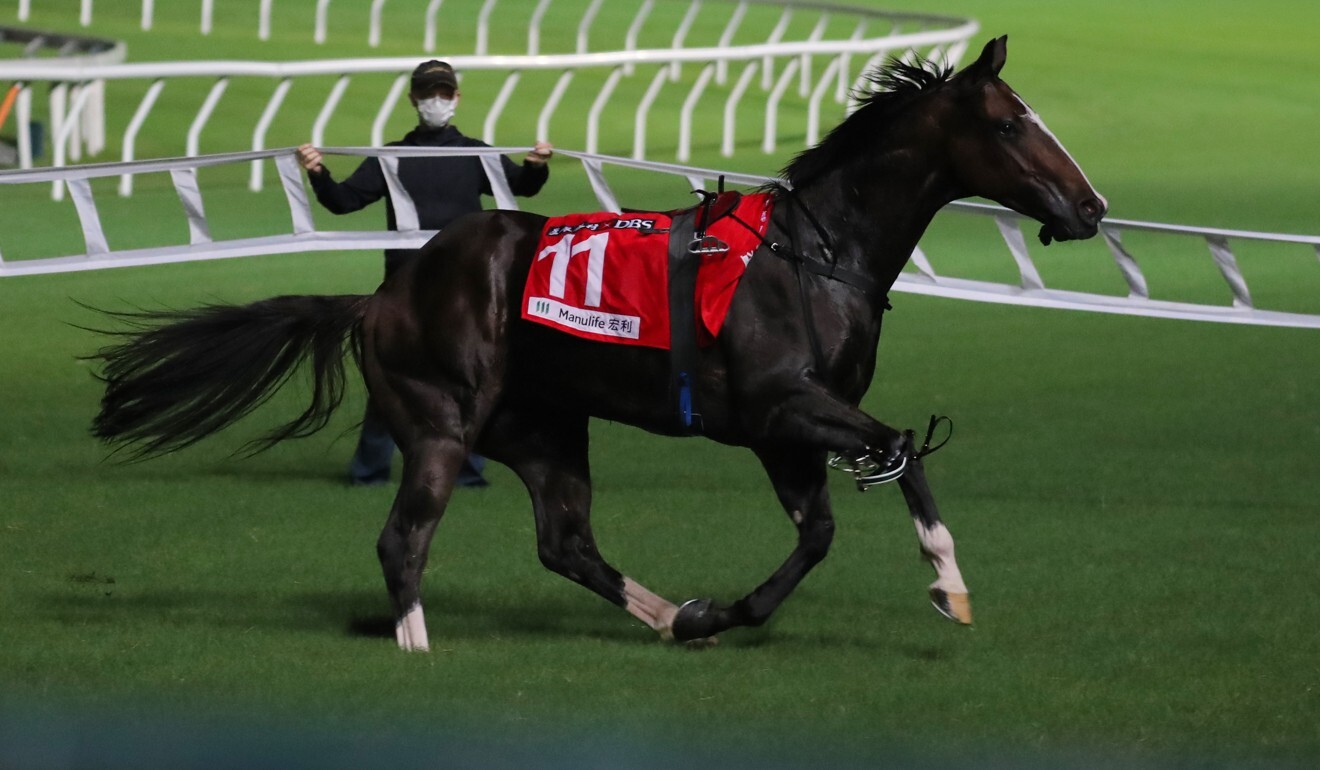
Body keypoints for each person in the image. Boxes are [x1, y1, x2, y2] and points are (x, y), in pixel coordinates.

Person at [296, 60, 553, 488]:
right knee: (391, 380)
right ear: (413, 99)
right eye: (430, 93)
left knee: (471, 379)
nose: (437, 101)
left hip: (465, 291)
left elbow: (521, 187)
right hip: (405, 290)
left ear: (456, 97)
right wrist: (318, 173)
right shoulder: (389, 157)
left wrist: (535, 165)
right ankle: (370, 473)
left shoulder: (475, 152)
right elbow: (343, 202)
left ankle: (468, 474)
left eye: (444, 93)